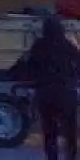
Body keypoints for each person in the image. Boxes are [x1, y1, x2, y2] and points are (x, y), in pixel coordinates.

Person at [18, 15, 80, 160]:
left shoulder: (39, 45)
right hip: (66, 91)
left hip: (46, 92)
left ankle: (52, 157)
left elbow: (29, 67)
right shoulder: (67, 45)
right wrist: (74, 78)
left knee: (49, 130)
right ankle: (71, 156)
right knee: (70, 129)